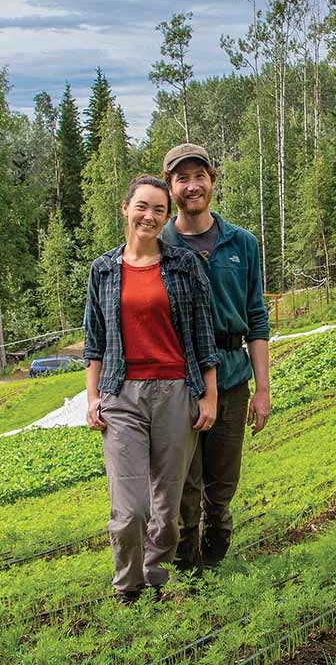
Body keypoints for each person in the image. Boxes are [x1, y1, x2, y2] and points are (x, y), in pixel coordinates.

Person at [83, 174, 220, 604]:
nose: (150, 216)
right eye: (142, 206)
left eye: (159, 209)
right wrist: (91, 398)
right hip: (121, 394)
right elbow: (95, 340)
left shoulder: (184, 266)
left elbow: (203, 336)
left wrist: (209, 394)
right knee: (130, 510)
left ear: (166, 216)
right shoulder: (103, 269)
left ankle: (154, 579)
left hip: (176, 393)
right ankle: (128, 587)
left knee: (167, 508)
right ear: (125, 209)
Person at [159, 143, 271, 570]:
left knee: (221, 489)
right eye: (182, 178)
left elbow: (257, 318)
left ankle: (216, 563)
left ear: (213, 179)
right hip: (179, 384)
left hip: (231, 378)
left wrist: (262, 390)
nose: (192, 186)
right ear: (170, 187)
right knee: (184, 490)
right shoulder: (160, 246)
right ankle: (190, 570)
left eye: (199, 176)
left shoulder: (241, 243)